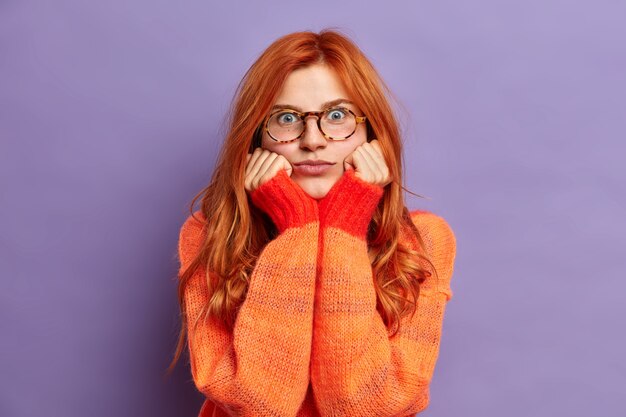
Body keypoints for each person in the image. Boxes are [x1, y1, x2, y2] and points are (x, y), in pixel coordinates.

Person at [167, 28, 457, 417]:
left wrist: (344, 225)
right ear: (256, 138)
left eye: (337, 116)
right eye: (287, 118)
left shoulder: (423, 240)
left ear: (372, 131)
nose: (313, 140)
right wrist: (296, 227)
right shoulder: (208, 234)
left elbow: (364, 408)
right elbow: (260, 405)